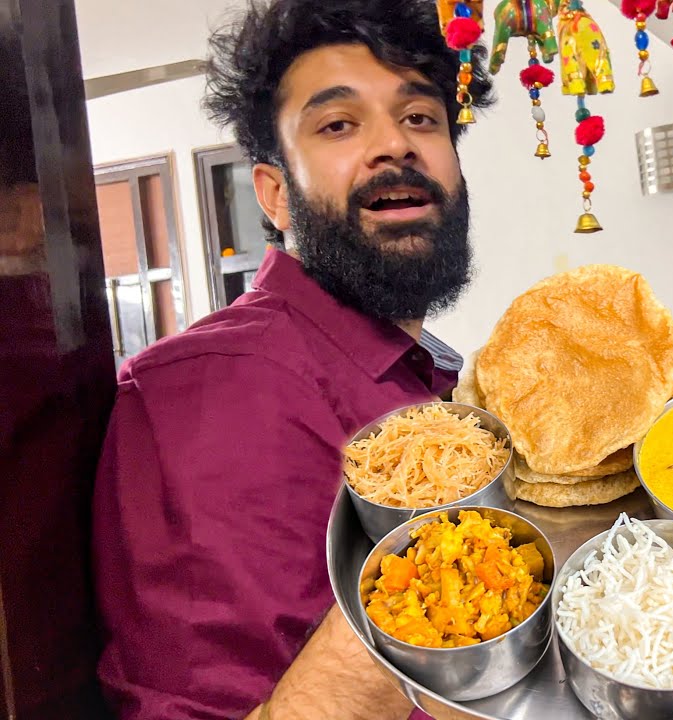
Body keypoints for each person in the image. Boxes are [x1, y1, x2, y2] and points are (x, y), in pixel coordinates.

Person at [91, 0, 493, 718]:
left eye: (421, 118)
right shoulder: (209, 390)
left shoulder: (429, 382)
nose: (394, 146)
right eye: (338, 124)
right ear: (274, 193)